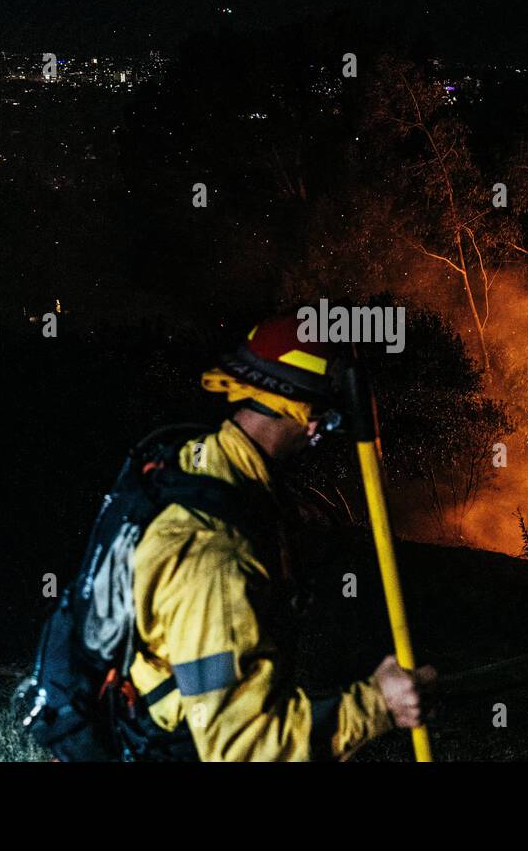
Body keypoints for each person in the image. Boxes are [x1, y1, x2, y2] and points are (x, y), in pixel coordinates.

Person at [127, 313, 435, 760]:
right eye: (325, 421)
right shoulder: (215, 558)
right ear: (309, 418)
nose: (319, 435)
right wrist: (377, 706)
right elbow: (240, 750)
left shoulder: (200, 468)